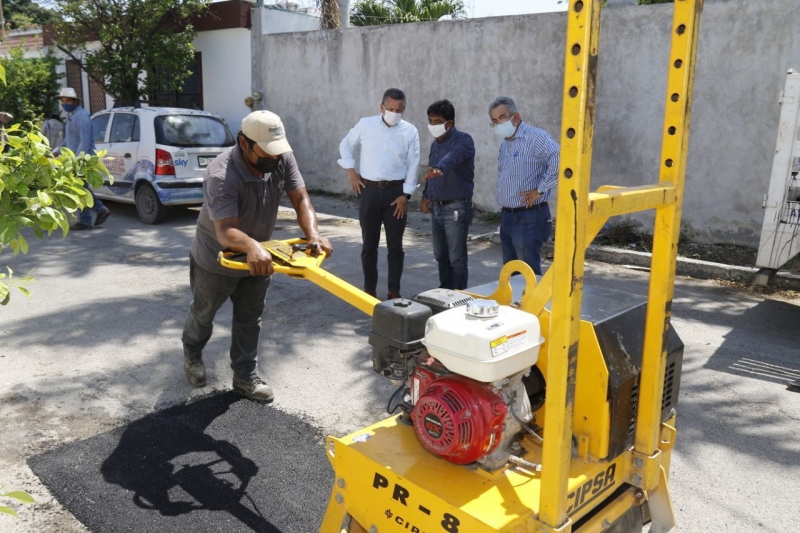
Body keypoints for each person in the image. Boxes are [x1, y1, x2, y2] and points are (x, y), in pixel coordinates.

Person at [181, 110, 333, 404]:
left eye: (277, 153)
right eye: (267, 152)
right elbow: (225, 232)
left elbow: (300, 198)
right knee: (204, 315)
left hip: (260, 257)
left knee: (250, 319)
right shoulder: (221, 174)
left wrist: (313, 233)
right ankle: (192, 355)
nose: (273, 159)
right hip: (217, 259)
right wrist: (251, 246)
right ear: (244, 143)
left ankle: (244, 377)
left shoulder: (280, 157)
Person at [338, 88, 420, 300]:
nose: (394, 113)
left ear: (404, 109)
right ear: (382, 107)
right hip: (369, 191)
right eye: (390, 108)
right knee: (369, 245)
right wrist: (351, 172)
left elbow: (413, 164)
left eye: (398, 110)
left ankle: (394, 291)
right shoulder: (365, 125)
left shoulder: (410, 131)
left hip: (396, 193)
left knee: (395, 246)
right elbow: (345, 145)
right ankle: (370, 291)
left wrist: (406, 195)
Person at [488, 96, 559, 276]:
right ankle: (515, 304)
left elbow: (560, 159)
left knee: (528, 272)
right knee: (512, 272)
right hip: (508, 217)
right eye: (494, 121)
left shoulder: (535, 137)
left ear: (516, 116)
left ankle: (531, 304)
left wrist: (540, 189)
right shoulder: (506, 142)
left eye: (502, 117)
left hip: (529, 216)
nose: (498, 123)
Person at [420, 99, 476, 290]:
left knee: (456, 258)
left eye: (437, 121)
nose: (433, 125)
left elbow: (452, 158)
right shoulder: (435, 145)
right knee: (441, 256)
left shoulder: (463, 140)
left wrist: (440, 167)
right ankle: (444, 292)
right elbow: (431, 172)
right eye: (431, 121)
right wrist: (426, 195)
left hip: (455, 208)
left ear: (449, 123)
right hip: (437, 207)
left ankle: (458, 297)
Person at [55, 87, 111, 230]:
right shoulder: (72, 116)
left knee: (80, 189)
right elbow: (68, 140)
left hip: (83, 160)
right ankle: (88, 218)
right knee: (79, 188)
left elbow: (84, 141)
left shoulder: (81, 116)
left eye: (67, 101)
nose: (64, 103)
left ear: (75, 101)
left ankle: (99, 210)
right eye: (62, 101)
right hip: (75, 159)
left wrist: (76, 161)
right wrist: (54, 152)